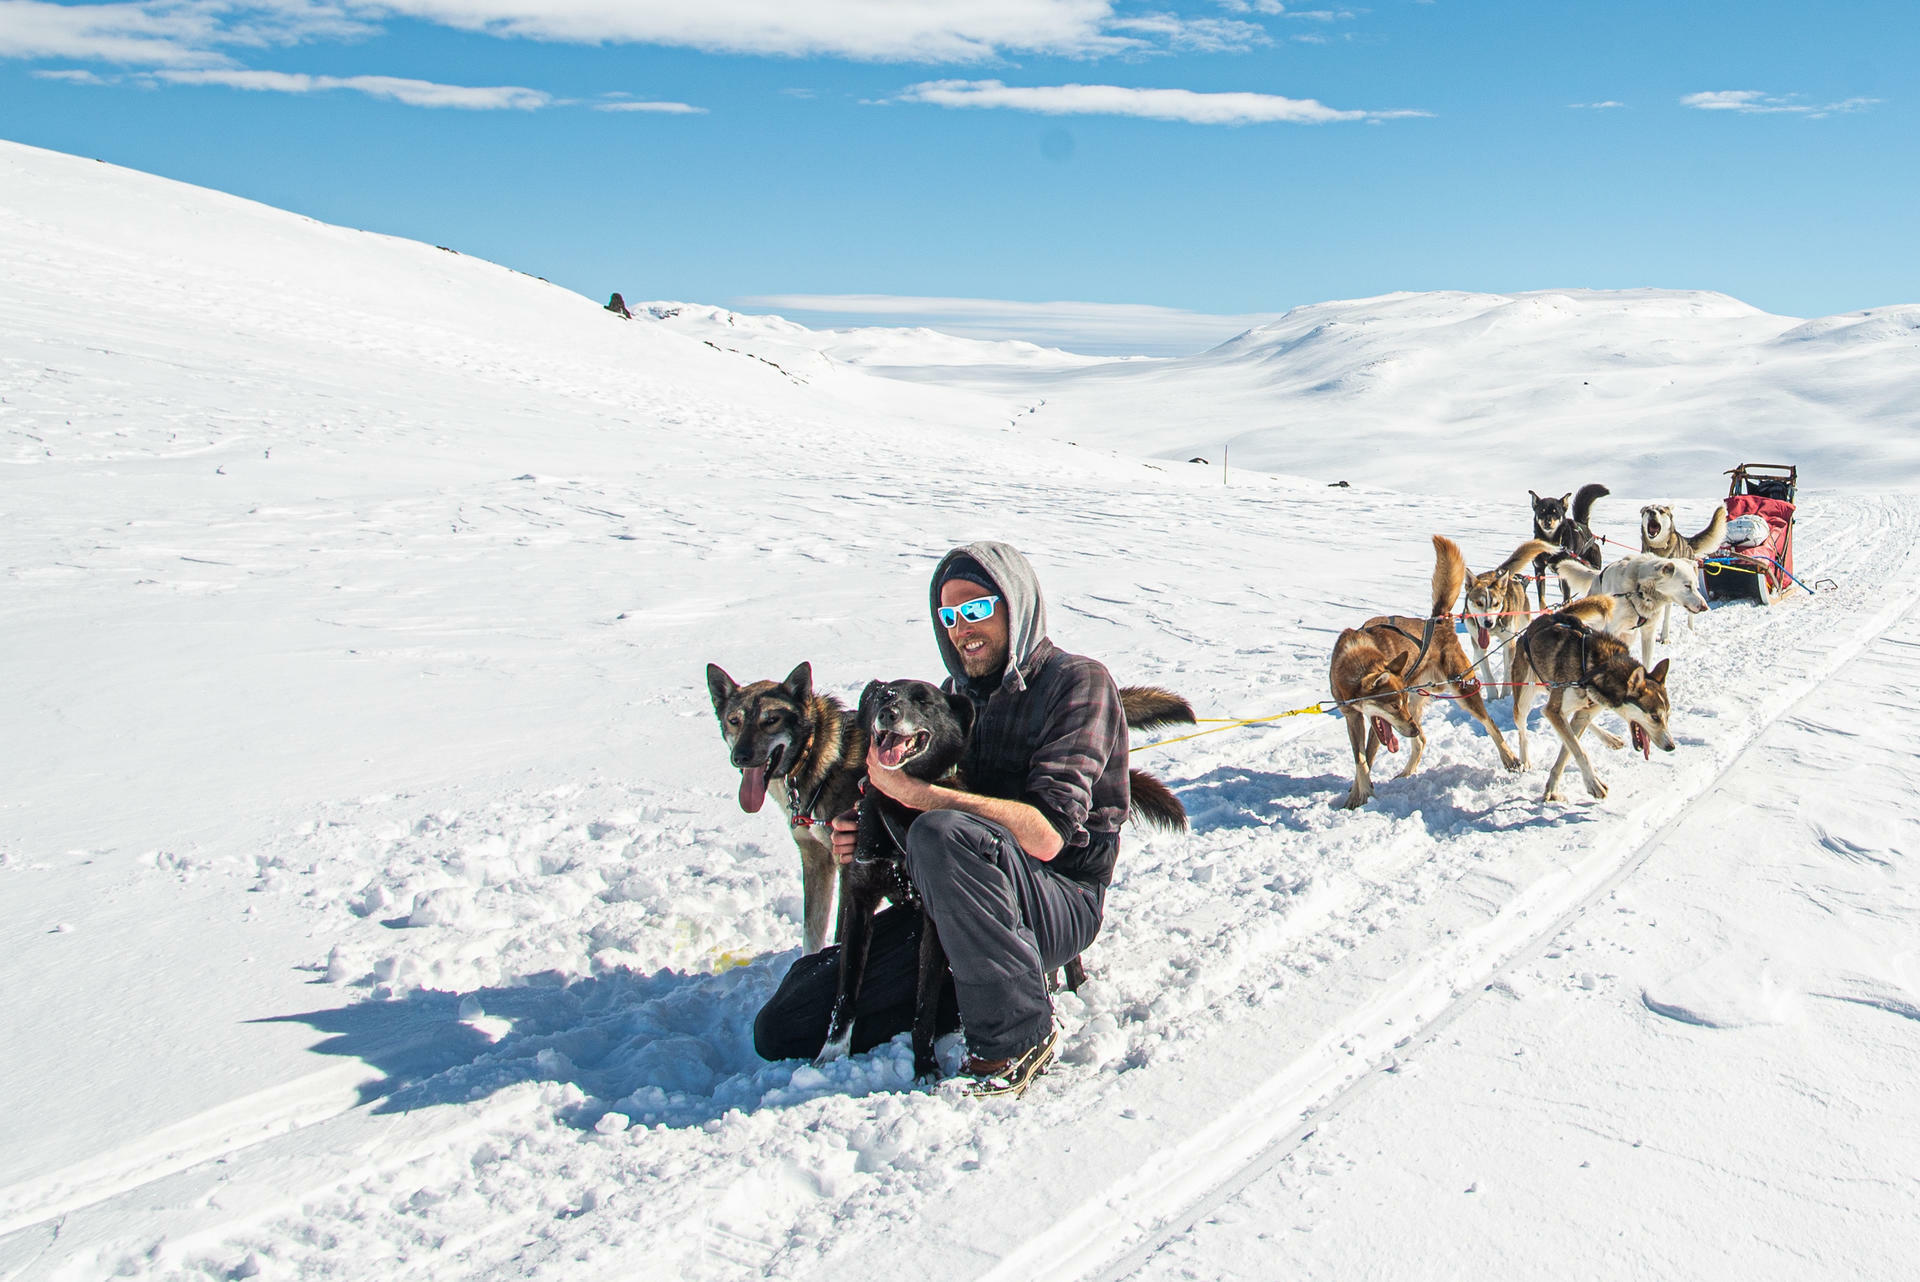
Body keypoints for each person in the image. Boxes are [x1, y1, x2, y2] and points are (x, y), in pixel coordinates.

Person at [752, 541, 1130, 1093]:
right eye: (948, 615)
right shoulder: (952, 698)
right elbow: (913, 812)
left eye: (976, 610)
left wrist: (916, 796)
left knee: (942, 828)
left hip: (1058, 898)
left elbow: (1047, 837)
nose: (960, 628)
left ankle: (1017, 1035)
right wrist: (867, 828)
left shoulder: (1078, 684)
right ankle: (971, 984)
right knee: (783, 1027)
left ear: (1016, 605)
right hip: (953, 904)